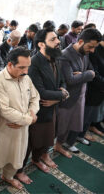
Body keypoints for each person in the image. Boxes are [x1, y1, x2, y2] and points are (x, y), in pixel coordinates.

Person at [15, 29, 69, 184]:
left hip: (51, 109)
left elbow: (62, 83)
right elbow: (40, 92)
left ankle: (37, 159)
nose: (58, 41)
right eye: (53, 39)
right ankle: (19, 171)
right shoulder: (33, 63)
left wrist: (59, 97)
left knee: (46, 138)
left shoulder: (55, 58)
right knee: (29, 144)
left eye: (57, 38)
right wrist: (62, 95)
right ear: (41, 44)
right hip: (36, 111)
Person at [0, 47, 39, 192]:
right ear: (9, 65)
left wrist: (31, 114)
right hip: (4, 130)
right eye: (21, 67)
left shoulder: (26, 77)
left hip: (21, 129)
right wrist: (29, 119)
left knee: (16, 158)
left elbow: (35, 98)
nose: (26, 71)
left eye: (27, 67)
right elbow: (5, 110)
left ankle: (8, 177)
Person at [55, 28, 101, 157]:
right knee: (62, 126)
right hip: (68, 99)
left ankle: (66, 143)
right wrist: (88, 74)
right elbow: (70, 80)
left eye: (94, 48)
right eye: (90, 47)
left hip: (80, 95)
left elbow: (90, 71)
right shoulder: (65, 55)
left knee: (75, 123)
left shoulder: (85, 52)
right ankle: (57, 146)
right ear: (80, 41)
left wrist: (84, 74)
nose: (92, 51)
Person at [77, 34, 104, 142]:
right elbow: (93, 73)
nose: (91, 49)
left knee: (91, 113)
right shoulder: (95, 51)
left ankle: (84, 131)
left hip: (100, 89)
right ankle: (79, 134)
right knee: (86, 113)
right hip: (92, 88)